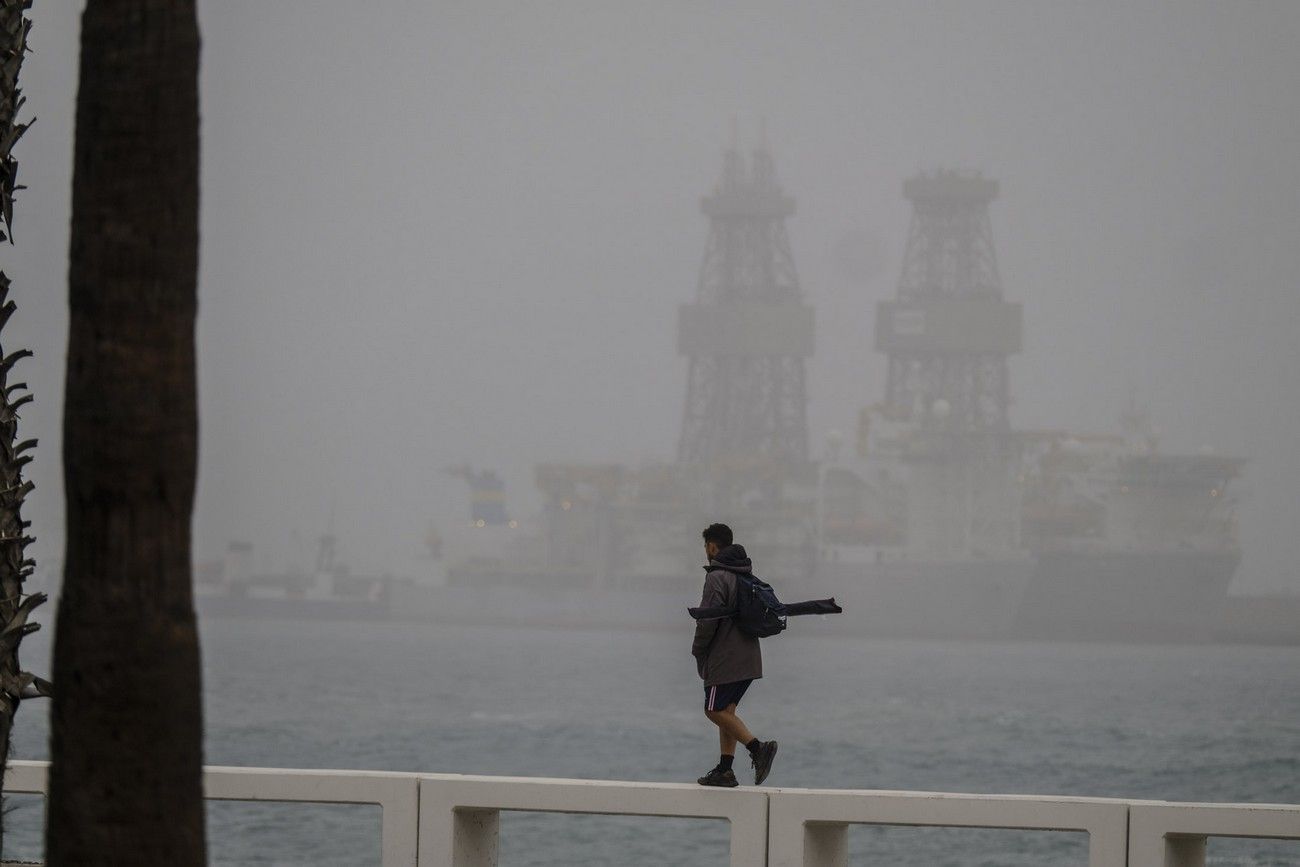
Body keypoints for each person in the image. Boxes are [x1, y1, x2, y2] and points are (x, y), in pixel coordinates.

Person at [691, 523, 778, 787]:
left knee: (713, 710)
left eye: (706, 547)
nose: (706, 551)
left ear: (712, 546)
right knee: (727, 712)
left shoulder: (717, 576)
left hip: (725, 658)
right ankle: (725, 770)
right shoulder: (744, 574)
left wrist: (698, 649)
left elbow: (708, 620)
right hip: (749, 657)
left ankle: (758, 748)